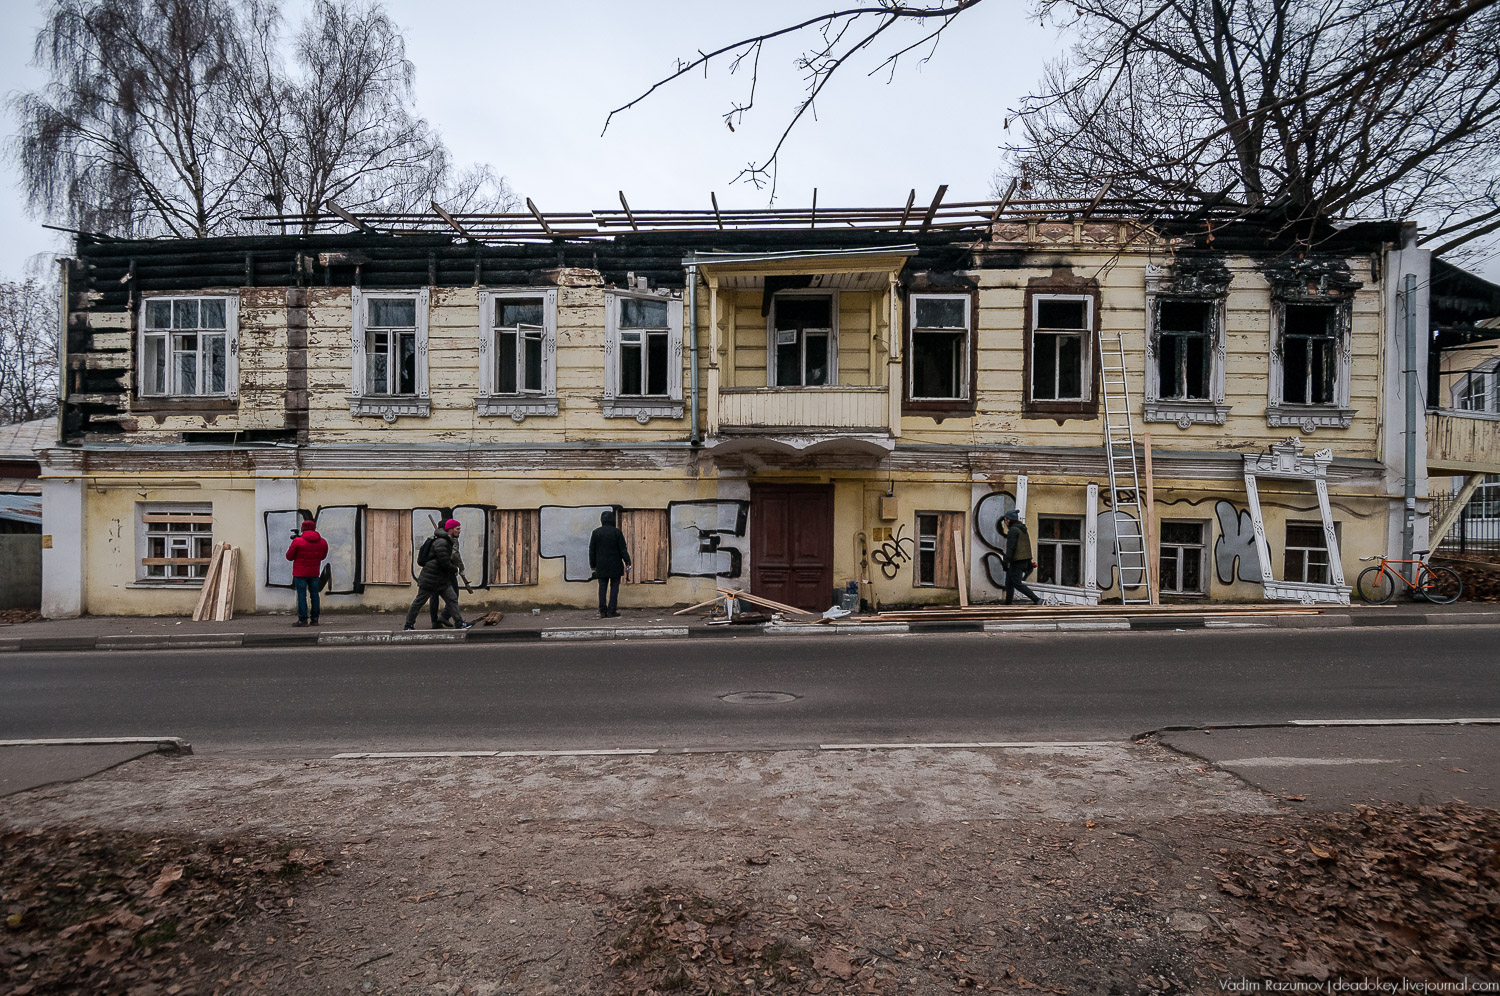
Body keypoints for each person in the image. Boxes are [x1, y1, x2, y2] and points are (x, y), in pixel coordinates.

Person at [405, 518, 471, 630]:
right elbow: (444, 562)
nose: (459, 531)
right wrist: (455, 569)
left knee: (452, 599)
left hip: (440, 579)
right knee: (419, 602)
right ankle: (408, 625)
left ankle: (459, 623)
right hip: (430, 578)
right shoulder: (442, 542)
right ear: (450, 529)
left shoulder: (446, 540)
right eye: (457, 529)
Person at [588, 509, 632, 618]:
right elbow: (623, 549)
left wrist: (592, 565)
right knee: (614, 587)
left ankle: (602, 611)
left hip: (601, 565)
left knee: (602, 587)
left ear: (602, 520)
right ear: (612, 520)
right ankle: (612, 611)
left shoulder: (596, 532)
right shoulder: (617, 532)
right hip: (615, 564)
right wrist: (627, 561)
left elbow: (592, 550)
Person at [285, 520, 329, 626]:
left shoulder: (297, 541)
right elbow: (323, 556)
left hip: (300, 573)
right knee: (314, 595)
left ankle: (303, 620)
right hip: (314, 572)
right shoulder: (322, 542)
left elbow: (289, 556)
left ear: (303, 528)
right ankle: (315, 619)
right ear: (314, 528)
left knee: (301, 595)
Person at [1000, 509, 1042, 606]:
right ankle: (1008, 603)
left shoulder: (1013, 531)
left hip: (1017, 561)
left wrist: (1006, 561)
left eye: (1005, 520)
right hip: (1024, 560)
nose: (1005, 522)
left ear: (1009, 520)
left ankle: (1037, 600)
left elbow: (1011, 547)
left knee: (1016, 583)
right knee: (1009, 582)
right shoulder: (1022, 529)